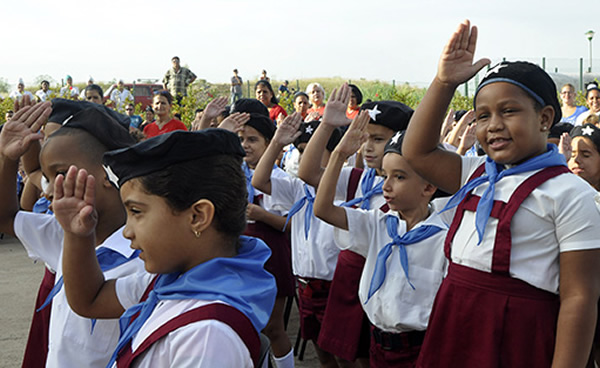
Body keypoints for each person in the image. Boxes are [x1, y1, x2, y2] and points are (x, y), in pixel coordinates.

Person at [402, 20, 600, 367]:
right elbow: (416, 151)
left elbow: (579, 297)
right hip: (454, 318)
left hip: (517, 333)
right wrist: (444, 82)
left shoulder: (571, 193)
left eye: (508, 111)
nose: (493, 124)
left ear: (545, 118)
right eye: (482, 116)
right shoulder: (475, 172)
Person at [54, 129, 276, 368]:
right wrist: (77, 235)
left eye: (136, 212)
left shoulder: (206, 336)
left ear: (197, 216)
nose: (127, 231)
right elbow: (90, 300)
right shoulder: (172, 282)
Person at [0, 101, 145, 368]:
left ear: (108, 173)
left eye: (61, 173)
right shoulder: (62, 233)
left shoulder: (147, 256)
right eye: (47, 176)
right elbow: (6, 218)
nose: (48, 190)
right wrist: (8, 159)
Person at [314, 114, 450, 366]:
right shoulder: (378, 223)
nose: (386, 186)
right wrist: (338, 155)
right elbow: (322, 209)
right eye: (385, 175)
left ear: (429, 187)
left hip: (419, 349)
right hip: (377, 342)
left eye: (399, 177)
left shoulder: (443, 239)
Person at [298, 84, 413, 367]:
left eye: (378, 138)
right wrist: (327, 126)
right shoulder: (361, 179)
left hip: (387, 280)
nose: (368, 146)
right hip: (351, 276)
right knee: (344, 353)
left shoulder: (416, 188)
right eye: (365, 138)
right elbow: (308, 172)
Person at [252, 114, 343, 368]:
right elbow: (259, 181)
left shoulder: (345, 186)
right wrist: (277, 144)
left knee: (346, 356)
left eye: (316, 151)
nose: (307, 158)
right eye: (303, 151)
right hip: (305, 284)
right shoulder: (297, 188)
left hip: (335, 284)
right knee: (323, 353)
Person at [234, 100, 295, 367]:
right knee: (244, 323)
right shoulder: (235, 175)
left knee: (273, 326)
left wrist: (262, 216)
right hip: (242, 252)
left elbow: (295, 224)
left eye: (253, 140)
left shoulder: (280, 180)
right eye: (241, 139)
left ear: (270, 143)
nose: (245, 145)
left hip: (272, 254)